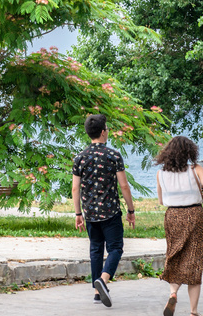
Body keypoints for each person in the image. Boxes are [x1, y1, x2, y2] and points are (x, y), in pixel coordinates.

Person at [72, 113, 136, 307]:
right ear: (102, 132)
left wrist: (78, 214)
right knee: (116, 248)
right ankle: (104, 279)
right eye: (107, 128)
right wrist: (131, 210)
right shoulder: (113, 155)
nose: (107, 131)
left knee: (96, 250)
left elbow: (75, 188)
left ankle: (96, 292)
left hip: (90, 213)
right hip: (111, 212)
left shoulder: (80, 158)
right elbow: (124, 186)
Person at [157, 135, 203, 316]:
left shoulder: (161, 173)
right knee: (194, 262)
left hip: (172, 215)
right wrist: (200, 196)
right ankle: (193, 311)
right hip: (194, 215)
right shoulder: (195, 169)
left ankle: (173, 293)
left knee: (175, 256)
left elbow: (161, 200)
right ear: (190, 151)